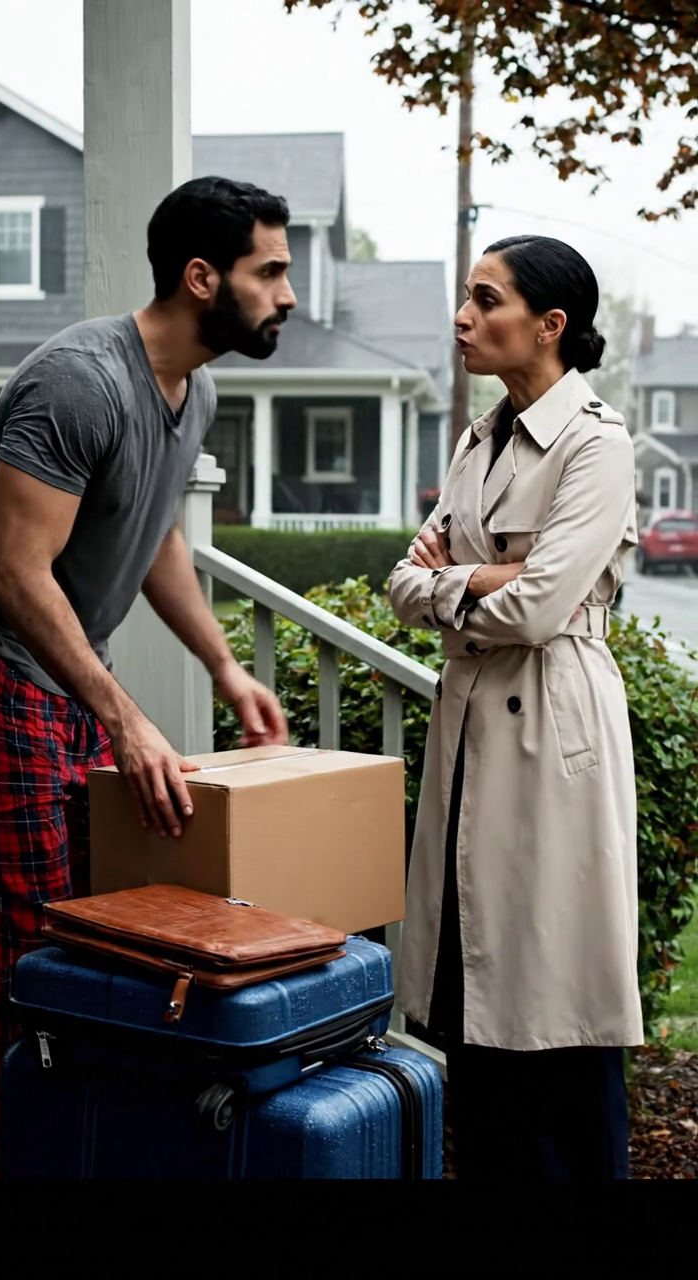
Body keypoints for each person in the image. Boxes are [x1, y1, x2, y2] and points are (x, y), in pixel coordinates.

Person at [0, 175, 296, 1178]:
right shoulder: (78, 382)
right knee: (28, 949)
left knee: (81, 928)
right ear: (202, 278)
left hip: (68, 682)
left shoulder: (194, 390)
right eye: (269, 272)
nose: (288, 294)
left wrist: (224, 666)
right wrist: (123, 715)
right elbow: (14, 572)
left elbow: (155, 533)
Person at [389, 234, 643, 1181]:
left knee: (555, 995)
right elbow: (401, 584)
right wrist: (489, 577)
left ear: (550, 324)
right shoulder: (477, 438)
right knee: (472, 988)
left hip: (552, 730)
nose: (463, 317)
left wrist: (458, 579)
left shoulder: (596, 443)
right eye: (467, 296)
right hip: (470, 732)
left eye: (486, 299)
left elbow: (538, 612)